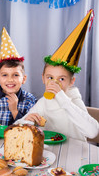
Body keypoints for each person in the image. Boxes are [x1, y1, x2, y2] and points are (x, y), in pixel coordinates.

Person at [16, 10, 99, 141]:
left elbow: (93, 132)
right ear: (43, 78)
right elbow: (16, 127)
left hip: (76, 154)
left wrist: (62, 98)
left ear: (71, 82)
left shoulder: (74, 100)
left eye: (61, 79)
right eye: (50, 78)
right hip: (53, 153)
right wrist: (27, 121)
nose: (55, 83)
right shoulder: (44, 102)